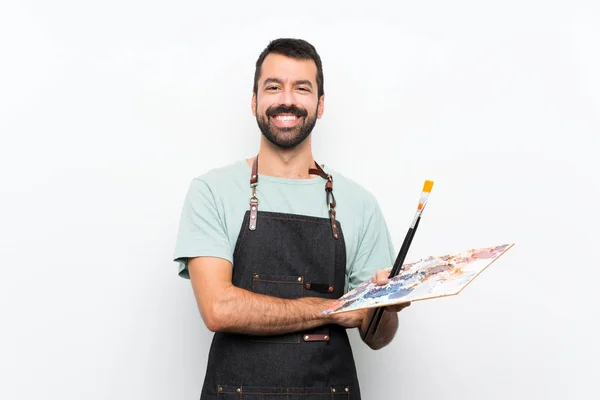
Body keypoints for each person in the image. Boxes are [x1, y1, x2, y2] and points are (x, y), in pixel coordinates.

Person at [172, 37, 411, 400]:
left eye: (302, 88)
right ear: (255, 102)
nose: (287, 99)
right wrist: (333, 309)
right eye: (273, 87)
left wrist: (383, 307)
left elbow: (377, 337)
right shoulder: (212, 191)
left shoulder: (359, 203)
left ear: (320, 103)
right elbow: (219, 309)